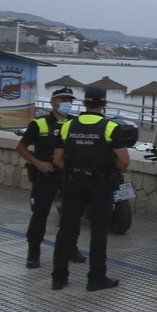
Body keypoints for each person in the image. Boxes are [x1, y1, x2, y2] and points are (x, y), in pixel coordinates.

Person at [52, 86, 128, 291]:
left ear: (84, 103)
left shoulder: (68, 125)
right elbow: (124, 161)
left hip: (73, 183)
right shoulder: (110, 127)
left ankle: (58, 278)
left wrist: (73, 171)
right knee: (98, 232)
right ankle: (96, 278)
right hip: (100, 185)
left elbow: (57, 159)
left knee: (66, 230)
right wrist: (111, 172)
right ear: (104, 104)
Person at [15, 88, 87, 269]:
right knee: (40, 213)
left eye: (70, 99)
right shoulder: (40, 123)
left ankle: (71, 248)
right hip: (46, 174)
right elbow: (21, 147)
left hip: (69, 174)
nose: (67, 102)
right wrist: (37, 163)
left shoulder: (76, 122)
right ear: (53, 102)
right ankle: (33, 253)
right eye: (63, 99)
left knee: (72, 215)